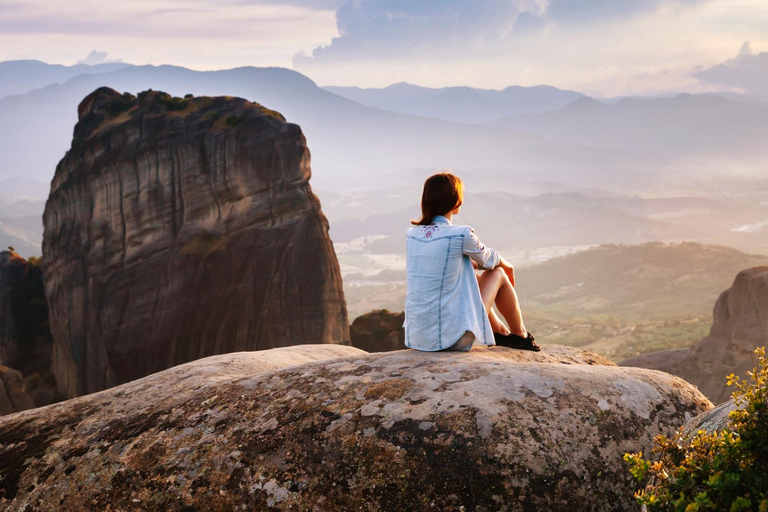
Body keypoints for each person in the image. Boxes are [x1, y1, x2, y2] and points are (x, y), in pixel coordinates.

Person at [403, 172, 539, 352]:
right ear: (455, 201)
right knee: (498, 273)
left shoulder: (412, 234)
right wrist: (507, 265)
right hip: (452, 339)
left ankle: (499, 332)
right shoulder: (461, 234)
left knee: (472, 274)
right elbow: (489, 260)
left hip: (418, 339)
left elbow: (455, 263)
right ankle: (520, 335)